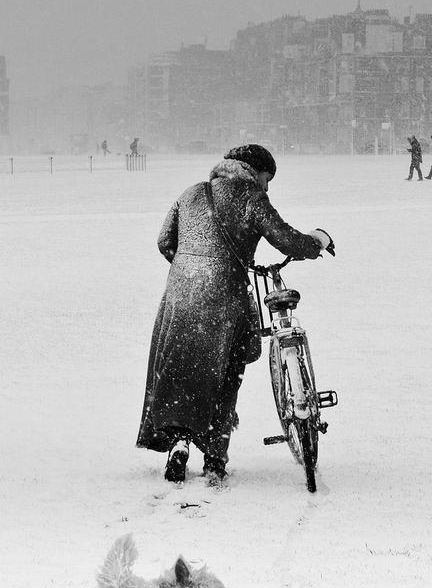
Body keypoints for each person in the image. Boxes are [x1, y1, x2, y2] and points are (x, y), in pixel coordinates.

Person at [136, 143, 335, 485]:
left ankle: (179, 444)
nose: (267, 186)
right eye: (266, 177)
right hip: (225, 298)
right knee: (227, 373)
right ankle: (214, 457)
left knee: (182, 372)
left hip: (180, 297)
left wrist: (191, 267)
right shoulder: (250, 197)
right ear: (253, 171)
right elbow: (284, 238)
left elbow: (164, 242)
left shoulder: (190, 194)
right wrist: (315, 243)